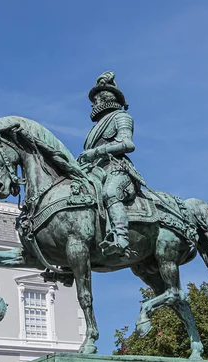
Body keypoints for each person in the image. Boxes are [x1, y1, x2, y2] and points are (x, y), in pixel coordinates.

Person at [78, 71, 144, 257]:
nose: (92, 104)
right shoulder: (94, 129)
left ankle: (120, 237)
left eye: (96, 100)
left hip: (117, 168)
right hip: (95, 171)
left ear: (106, 100)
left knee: (110, 193)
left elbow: (127, 144)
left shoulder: (121, 117)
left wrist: (95, 152)